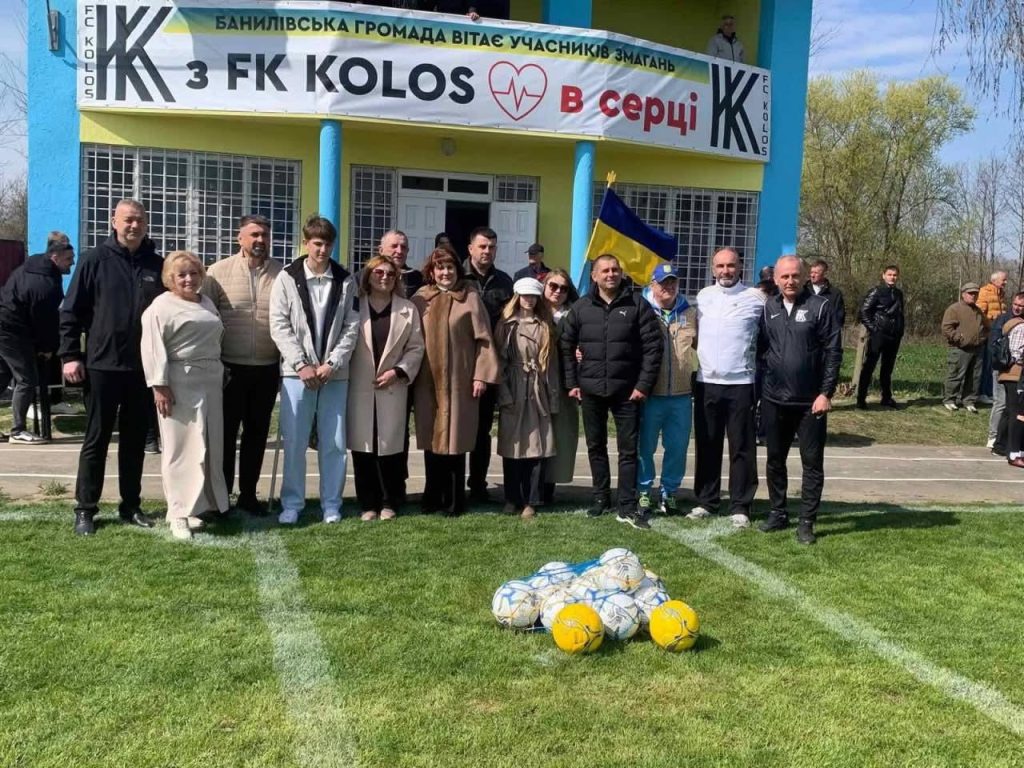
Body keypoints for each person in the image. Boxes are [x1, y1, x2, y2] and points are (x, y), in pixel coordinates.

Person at [60, 200, 166, 536]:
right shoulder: (94, 260)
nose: (134, 226)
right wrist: (70, 355)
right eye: (128, 220)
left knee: (135, 442)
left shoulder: (156, 265)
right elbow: (70, 311)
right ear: (114, 222)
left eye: (140, 220)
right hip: (102, 366)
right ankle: (85, 509)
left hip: (142, 369)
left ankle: (130, 505)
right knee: (97, 439)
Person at [560, 254, 663, 530]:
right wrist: (572, 383)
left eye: (615, 270)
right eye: (604, 270)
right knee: (596, 446)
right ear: (594, 276)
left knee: (628, 451)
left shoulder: (637, 305)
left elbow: (653, 348)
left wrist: (642, 385)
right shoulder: (581, 308)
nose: (611, 274)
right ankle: (600, 498)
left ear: (621, 273)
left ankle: (626, 504)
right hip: (590, 390)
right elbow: (566, 346)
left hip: (627, 392)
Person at [269, 215, 359, 525]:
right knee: (295, 441)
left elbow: (351, 326)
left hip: (335, 375)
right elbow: (279, 324)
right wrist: (301, 364)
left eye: (328, 244)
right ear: (306, 243)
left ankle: (331, 504)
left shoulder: (345, 280)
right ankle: (292, 503)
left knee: (334, 443)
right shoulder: (286, 277)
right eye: (317, 244)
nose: (323, 250)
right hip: (297, 375)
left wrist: (333, 363)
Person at [141, 251, 229, 540]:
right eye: (181, 275)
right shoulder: (161, 306)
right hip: (179, 382)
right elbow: (152, 346)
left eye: (193, 273)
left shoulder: (206, 302)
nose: (189, 279)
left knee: (207, 445)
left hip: (210, 381)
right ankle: (177, 514)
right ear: (170, 278)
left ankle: (197, 506)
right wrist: (159, 384)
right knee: (180, 448)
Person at [757, 256, 842, 545]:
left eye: (795, 275)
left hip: (810, 402)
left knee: (812, 464)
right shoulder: (769, 307)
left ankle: (806, 522)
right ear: (776, 279)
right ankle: (778, 513)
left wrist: (825, 393)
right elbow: (763, 349)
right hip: (774, 399)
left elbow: (833, 352)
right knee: (774, 459)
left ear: (805, 277)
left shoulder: (821, 307)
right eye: (784, 276)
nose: (790, 281)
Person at [202, 214, 282, 516]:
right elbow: (205, 318)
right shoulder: (217, 272)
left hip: (266, 368)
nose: (260, 240)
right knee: (224, 435)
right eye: (254, 235)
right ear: (240, 238)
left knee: (257, 435)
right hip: (228, 369)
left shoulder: (282, 274)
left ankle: (248, 494)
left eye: (264, 235)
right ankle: (221, 496)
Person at [412, 248, 498, 516]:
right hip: (427, 381)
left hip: (460, 381)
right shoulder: (420, 299)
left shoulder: (470, 297)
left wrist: (481, 375)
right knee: (431, 439)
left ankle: (453, 501)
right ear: (431, 271)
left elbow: (484, 339)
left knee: (456, 441)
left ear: (457, 271)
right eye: (440, 268)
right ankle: (431, 497)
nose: (445, 273)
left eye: (450, 267)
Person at [691, 247, 765, 528]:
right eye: (720, 266)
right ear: (713, 269)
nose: (726, 271)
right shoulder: (703, 297)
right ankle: (706, 501)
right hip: (707, 382)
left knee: (741, 447)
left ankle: (740, 505)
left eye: (731, 265)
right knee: (707, 444)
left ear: (740, 267)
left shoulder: (756, 298)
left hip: (741, 384)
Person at [347, 255, 424, 521]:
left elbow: (416, 347)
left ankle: (390, 501)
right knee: (363, 447)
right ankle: (368, 503)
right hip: (361, 387)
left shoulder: (407, 309)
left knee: (390, 447)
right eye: (378, 272)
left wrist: (398, 371)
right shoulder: (354, 306)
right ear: (368, 276)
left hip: (393, 386)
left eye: (390, 274)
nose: (385, 278)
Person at [0, 232, 74, 444]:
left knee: (3, 376)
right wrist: (46, 348)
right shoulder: (44, 284)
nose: (72, 263)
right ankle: (18, 430)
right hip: (11, 330)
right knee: (27, 379)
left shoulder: (34, 265)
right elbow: (45, 321)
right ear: (55, 257)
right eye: (68, 259)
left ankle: (17, 429)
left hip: (6, 324)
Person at [637, 264, 697, 517]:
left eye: (672, 282)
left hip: (681, 395)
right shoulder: (641, 310)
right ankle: (643, 491)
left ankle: (669, 492)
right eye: (663, 283)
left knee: (677, 447)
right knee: (645, 447)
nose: (668, 287)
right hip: (651, 394)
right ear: (652, 285)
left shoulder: (690, 312)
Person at [495, 277, 558, 519]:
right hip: (513, 386)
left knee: (536, 446)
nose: (529, 300)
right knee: (512, 446)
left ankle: (532, 500)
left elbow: (551, 365)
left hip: (537, 389)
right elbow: (498, 361)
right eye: (524, 295)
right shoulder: (506, 324)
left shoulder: (545, 326)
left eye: (533, 296)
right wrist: (503, 393)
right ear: (517, 297)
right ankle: (511, 498)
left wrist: (552, 398)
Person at [462, 226, 514, 502]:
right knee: (457, 426)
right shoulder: (457, 277)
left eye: (491, 247)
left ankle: (478, 485)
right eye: (482, 246)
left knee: (482, 430)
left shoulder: (504, 282)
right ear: (470, 248)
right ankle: (451, 485)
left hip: (490, 363)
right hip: (459, 363)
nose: (487, 251)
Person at [540, 269, 579, 504]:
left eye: (563, 288)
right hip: (537, 383)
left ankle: (549, 487)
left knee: (560, 436)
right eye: (553, 286)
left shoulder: (574, 314)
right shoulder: (533, 310)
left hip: (564, 384)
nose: (558, 291)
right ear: (544, 286)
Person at [856, 265, 905, 409]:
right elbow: (864, 311)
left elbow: (900, 313)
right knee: (869, 366)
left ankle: (886, 397)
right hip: (879, 335)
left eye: (895, 275)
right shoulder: (876, 291)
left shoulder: (898, 293)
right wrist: (874, 329)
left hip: (894, 336)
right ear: (883, 275)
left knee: (887, 368)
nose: (892, 277)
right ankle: (861, 399)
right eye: (889, 274)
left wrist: (900, 330)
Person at [941, 282, 987, 413]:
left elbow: (986, 327)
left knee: (974, 377)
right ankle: (949, 399)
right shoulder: (954, 309)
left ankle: (969, 401)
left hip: (977, 349)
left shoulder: (978, 311)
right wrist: (959, 339)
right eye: (970, 293)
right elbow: (946, 327)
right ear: (963, 294)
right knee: (955, 375)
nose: (973, 296)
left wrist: (982, 339)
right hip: (960, 349)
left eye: (975, 294)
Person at [987, 293, 1024, 453]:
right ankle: (996, 439)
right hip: (1005, 368)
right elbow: (995, 344)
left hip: (1014, 371)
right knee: (1003, 404)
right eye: (1015, 304)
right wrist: (1003, 361)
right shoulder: (1004, 319)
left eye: (1021, 306)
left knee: (1010, 408)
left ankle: (1003, 443)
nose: (1017, 308)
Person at [977, 271, 1008, 405]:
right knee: (987, 363)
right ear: (994, 280)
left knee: (994, 363)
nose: (1006, 282)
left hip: (998, 334)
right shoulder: (985, 292)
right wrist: (991, 324)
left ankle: (990, 391)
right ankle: (982, 392)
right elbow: (980, 312)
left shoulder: (1001, 294)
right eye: (1003, 280)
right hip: (988, 333)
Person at [379, 229, 423, 296]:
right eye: (394, 246)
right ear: (381, 250)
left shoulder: (418, 278)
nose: (399, 251)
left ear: (407, 251)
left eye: (403, 247)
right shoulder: (367, 276)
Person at [805, 258, 845, 328]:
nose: (812, 275)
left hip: (826, 332)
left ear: (824, 274)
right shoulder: (803, 290)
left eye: (816, 273)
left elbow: (839, 318)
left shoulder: (834, 293)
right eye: (811, 272)